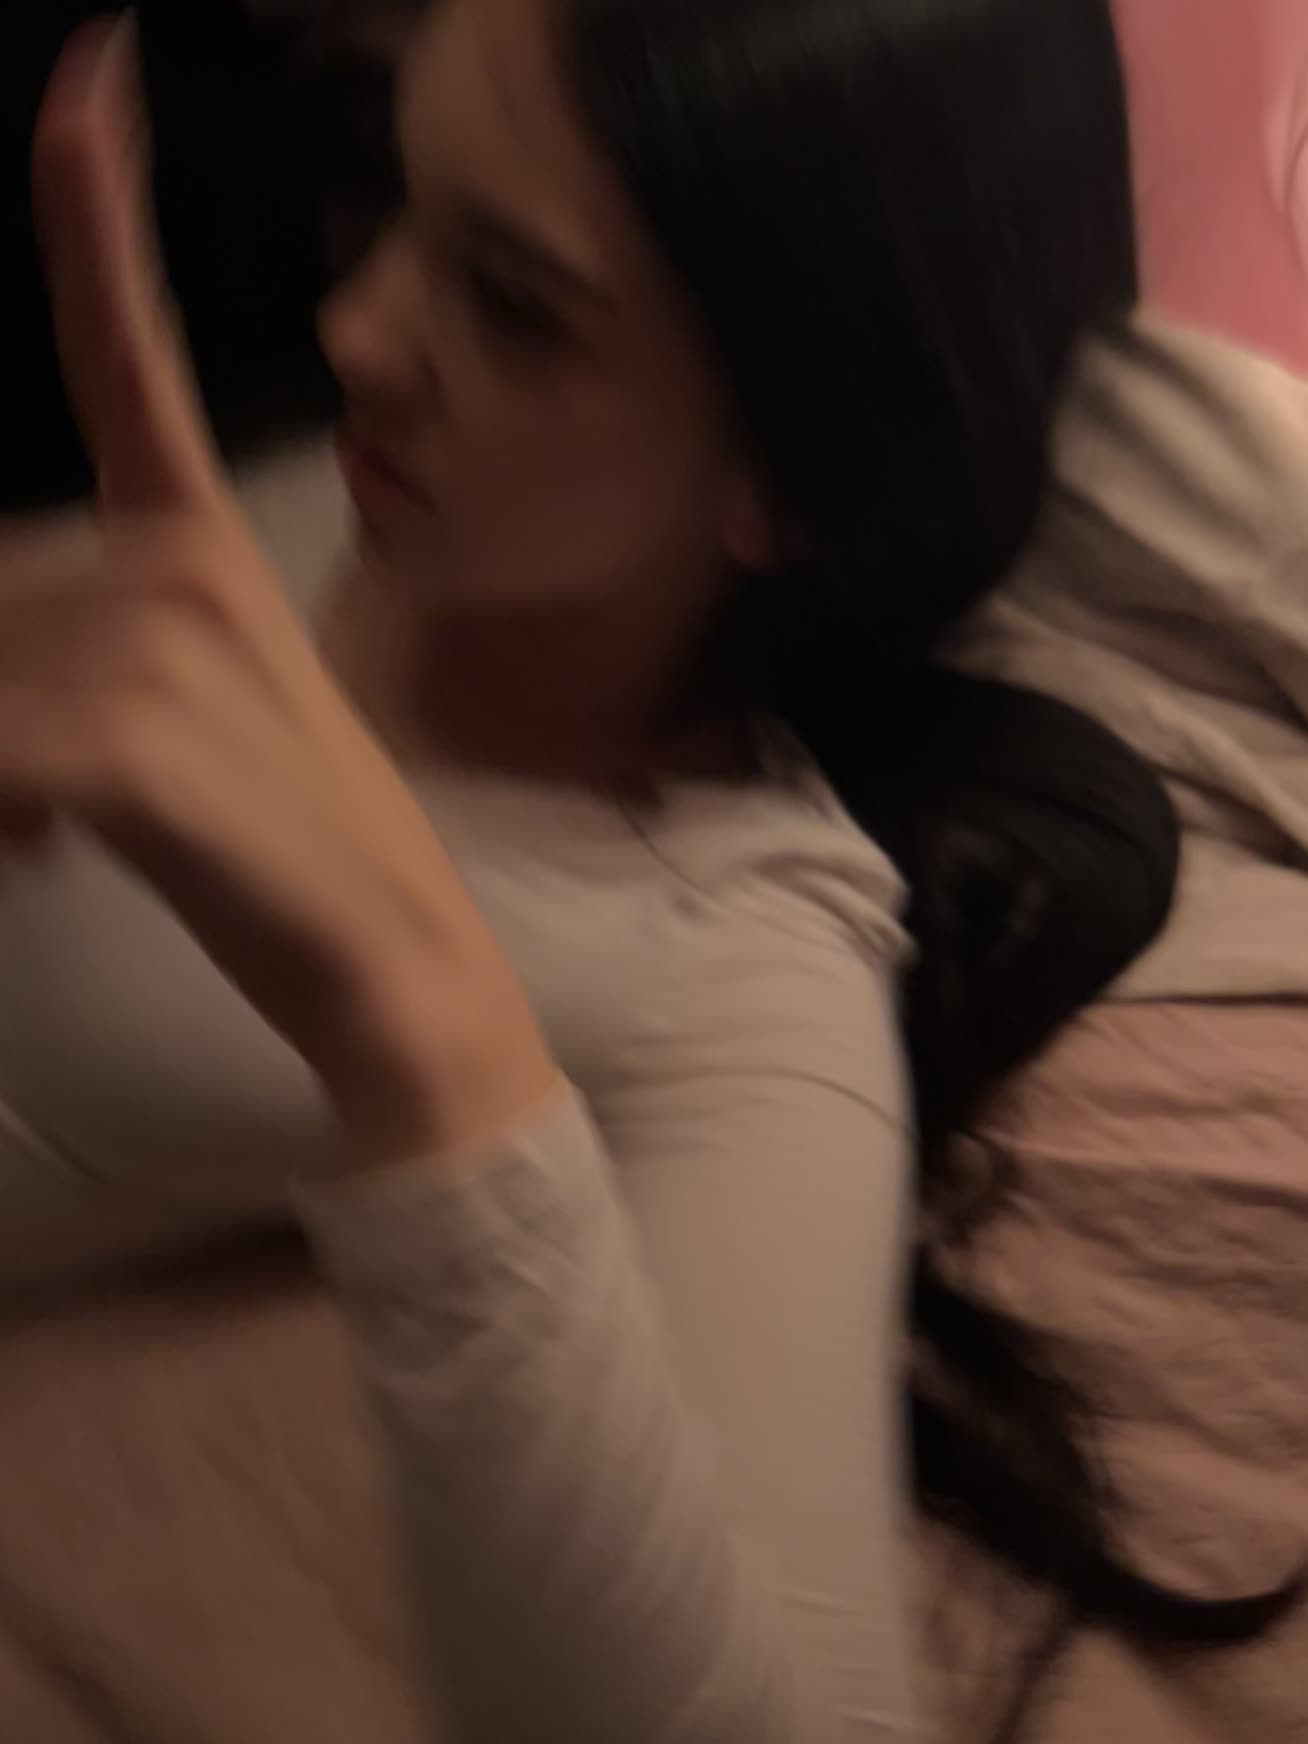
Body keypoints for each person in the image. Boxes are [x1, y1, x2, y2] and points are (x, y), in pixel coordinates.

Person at [3, 4, 1286, 1742]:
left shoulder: (734, 954)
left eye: (516, 307)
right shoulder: (353, 470)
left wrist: (417, 1024)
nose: (358, 326)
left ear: (793, 479)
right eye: (392, 191)